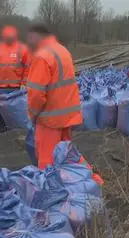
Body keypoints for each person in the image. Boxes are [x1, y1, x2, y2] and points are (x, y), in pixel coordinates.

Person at [25, 24, 104, 185]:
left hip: (49, 120)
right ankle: (94, 180)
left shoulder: (41, 56)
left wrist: (32, 116)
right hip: (66, 116)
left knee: (47, 161)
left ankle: (50, 196)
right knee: (68, 155)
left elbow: (36, 95)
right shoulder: (62, 50)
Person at [0, 25, 30, 132]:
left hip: (17, 88)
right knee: (0, 109)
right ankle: (0, 128)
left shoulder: (22, 49)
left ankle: (16, 127)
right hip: (1, 87)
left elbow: (27, 67)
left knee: (17, 109)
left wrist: (24, 83)